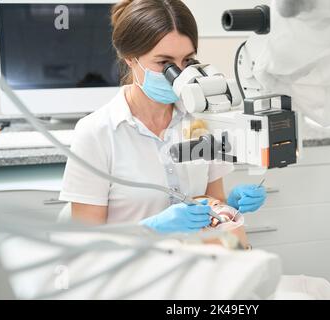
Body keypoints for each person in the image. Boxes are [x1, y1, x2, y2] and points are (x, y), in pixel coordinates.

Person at [59, 0, 266, 233]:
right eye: (164, 63)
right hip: (132, 267)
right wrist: (152, 228)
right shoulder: (96, 133)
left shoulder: (203, 119)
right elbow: (85, 240)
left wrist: (230, 206)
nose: (179, 75)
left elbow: (212, 202)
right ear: (129, 57)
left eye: (187, 61)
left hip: (195, 260)